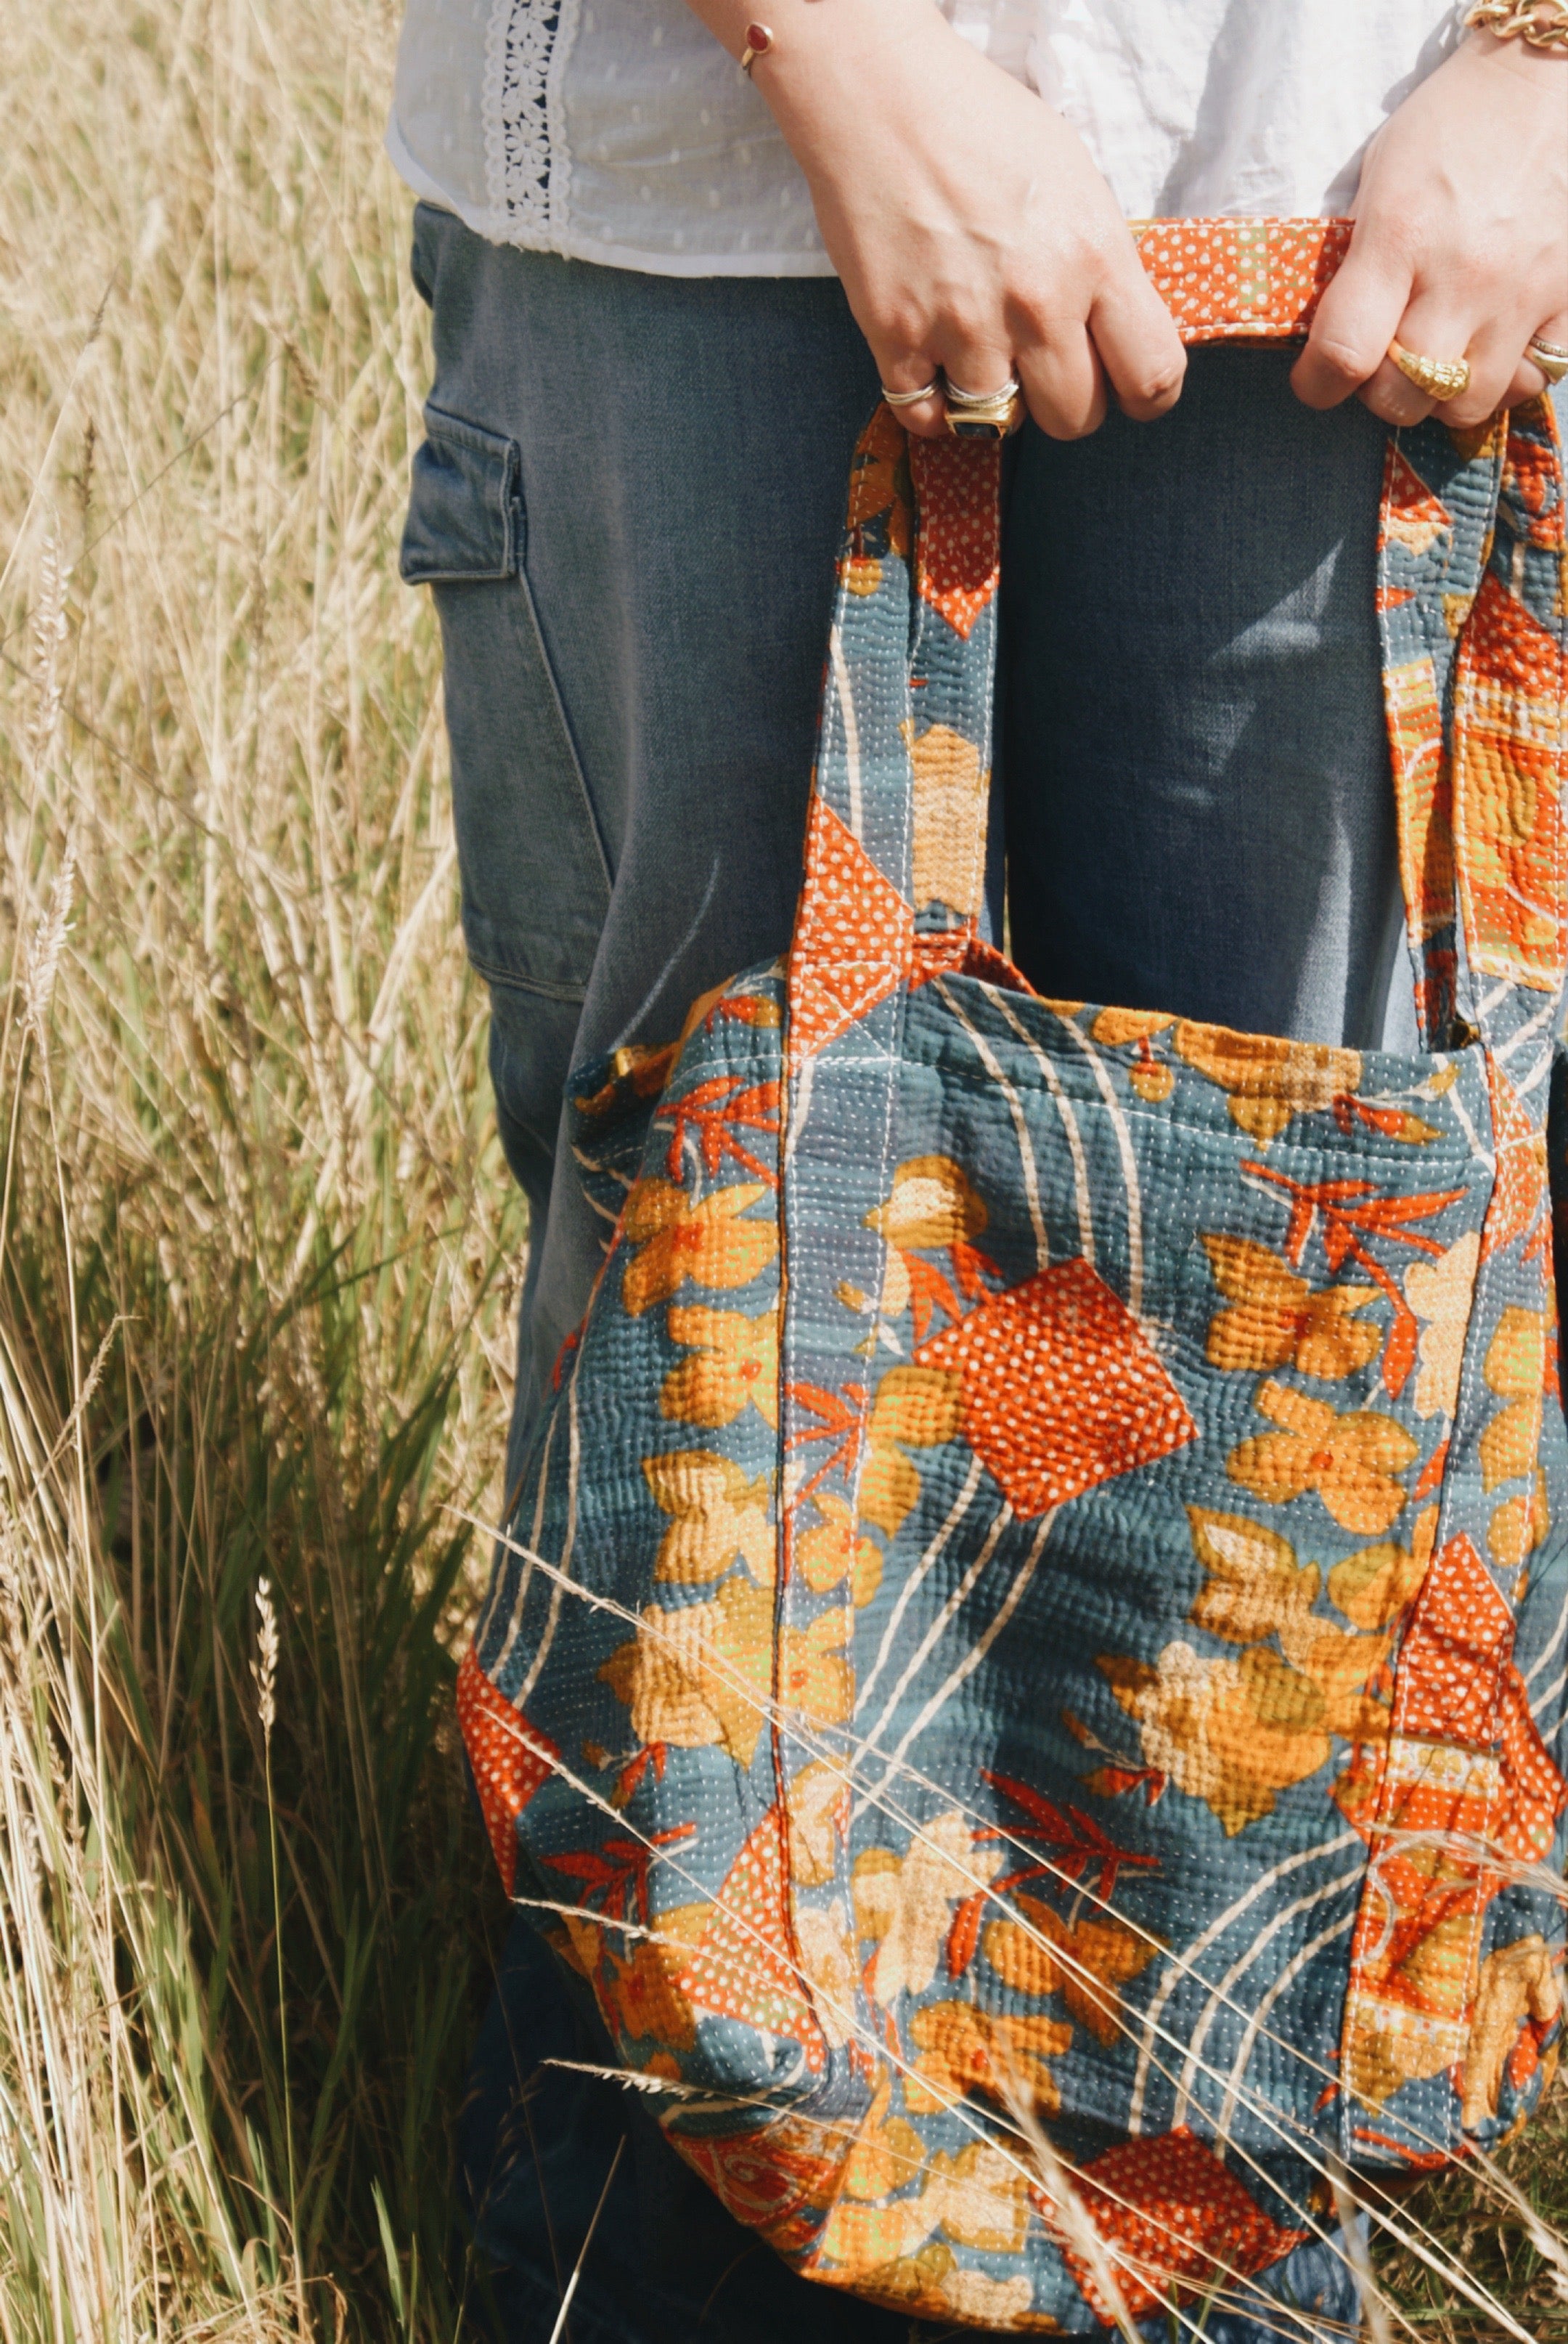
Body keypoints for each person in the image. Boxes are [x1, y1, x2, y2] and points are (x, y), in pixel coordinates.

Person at [388, 1, 1568, 2335]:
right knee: (724, 1343)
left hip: (1363, 210)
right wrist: (830, 53)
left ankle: (1200, 2265)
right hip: (700, 203)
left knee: (1290, 1439)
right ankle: (678, 2265)